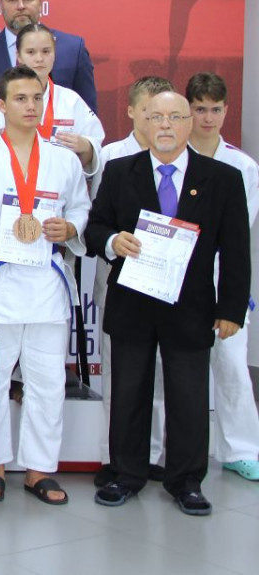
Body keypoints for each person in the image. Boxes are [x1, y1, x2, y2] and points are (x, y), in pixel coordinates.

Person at [87, 91, 249, 515]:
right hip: (133, 305)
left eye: (175, 117)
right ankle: (126, 475)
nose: (165, 125)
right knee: (128, 394)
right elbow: (95, 228)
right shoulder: (120, 171)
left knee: (189, 398)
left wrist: (231, 310)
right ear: (142, 121)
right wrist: (112, 241)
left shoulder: (222, 178)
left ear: (190, 122)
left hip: (191, 307)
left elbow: (237, 249)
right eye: (156, 116)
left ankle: (186, 481)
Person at [0, 66, 90, 505]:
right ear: (1, 105)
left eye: (37, 98)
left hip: (46, 281)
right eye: (20, 98)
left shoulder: (63, 159)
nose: (31, 106)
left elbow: (81, 209)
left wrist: (69, 227)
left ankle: (40, 469)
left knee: (47, 380)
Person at [90, 76, 173, 484]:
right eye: (149, 112)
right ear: (131, 111)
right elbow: (96, 218)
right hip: (121, 279)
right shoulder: (112, 157)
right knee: (121, 373)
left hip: (168, 285)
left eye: (166, 113)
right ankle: (116, 456)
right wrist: (112, 242)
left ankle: (153, 454)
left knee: (160, 373)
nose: (158, 120)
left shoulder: (181, 159)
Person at [180, 73, 259, 481]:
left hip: (221, 275)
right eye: (200, 109)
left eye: (215, 109)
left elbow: (237, 234)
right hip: (175, 275)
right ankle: (161, 450)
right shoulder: (171, 157)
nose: (208, 118)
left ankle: (241, 449)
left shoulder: (243, 167)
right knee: (169, 368)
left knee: (231, 365)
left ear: (227, 110)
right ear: (187, 110)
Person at [0, 23, 104, 178]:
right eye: (31, 52)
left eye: (46, 51)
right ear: (18, 56)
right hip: (9, 183)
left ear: (54, 54)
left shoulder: (71, 101)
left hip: (60, 184)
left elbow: (95, 147)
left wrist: (87, 147)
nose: (39, 59)